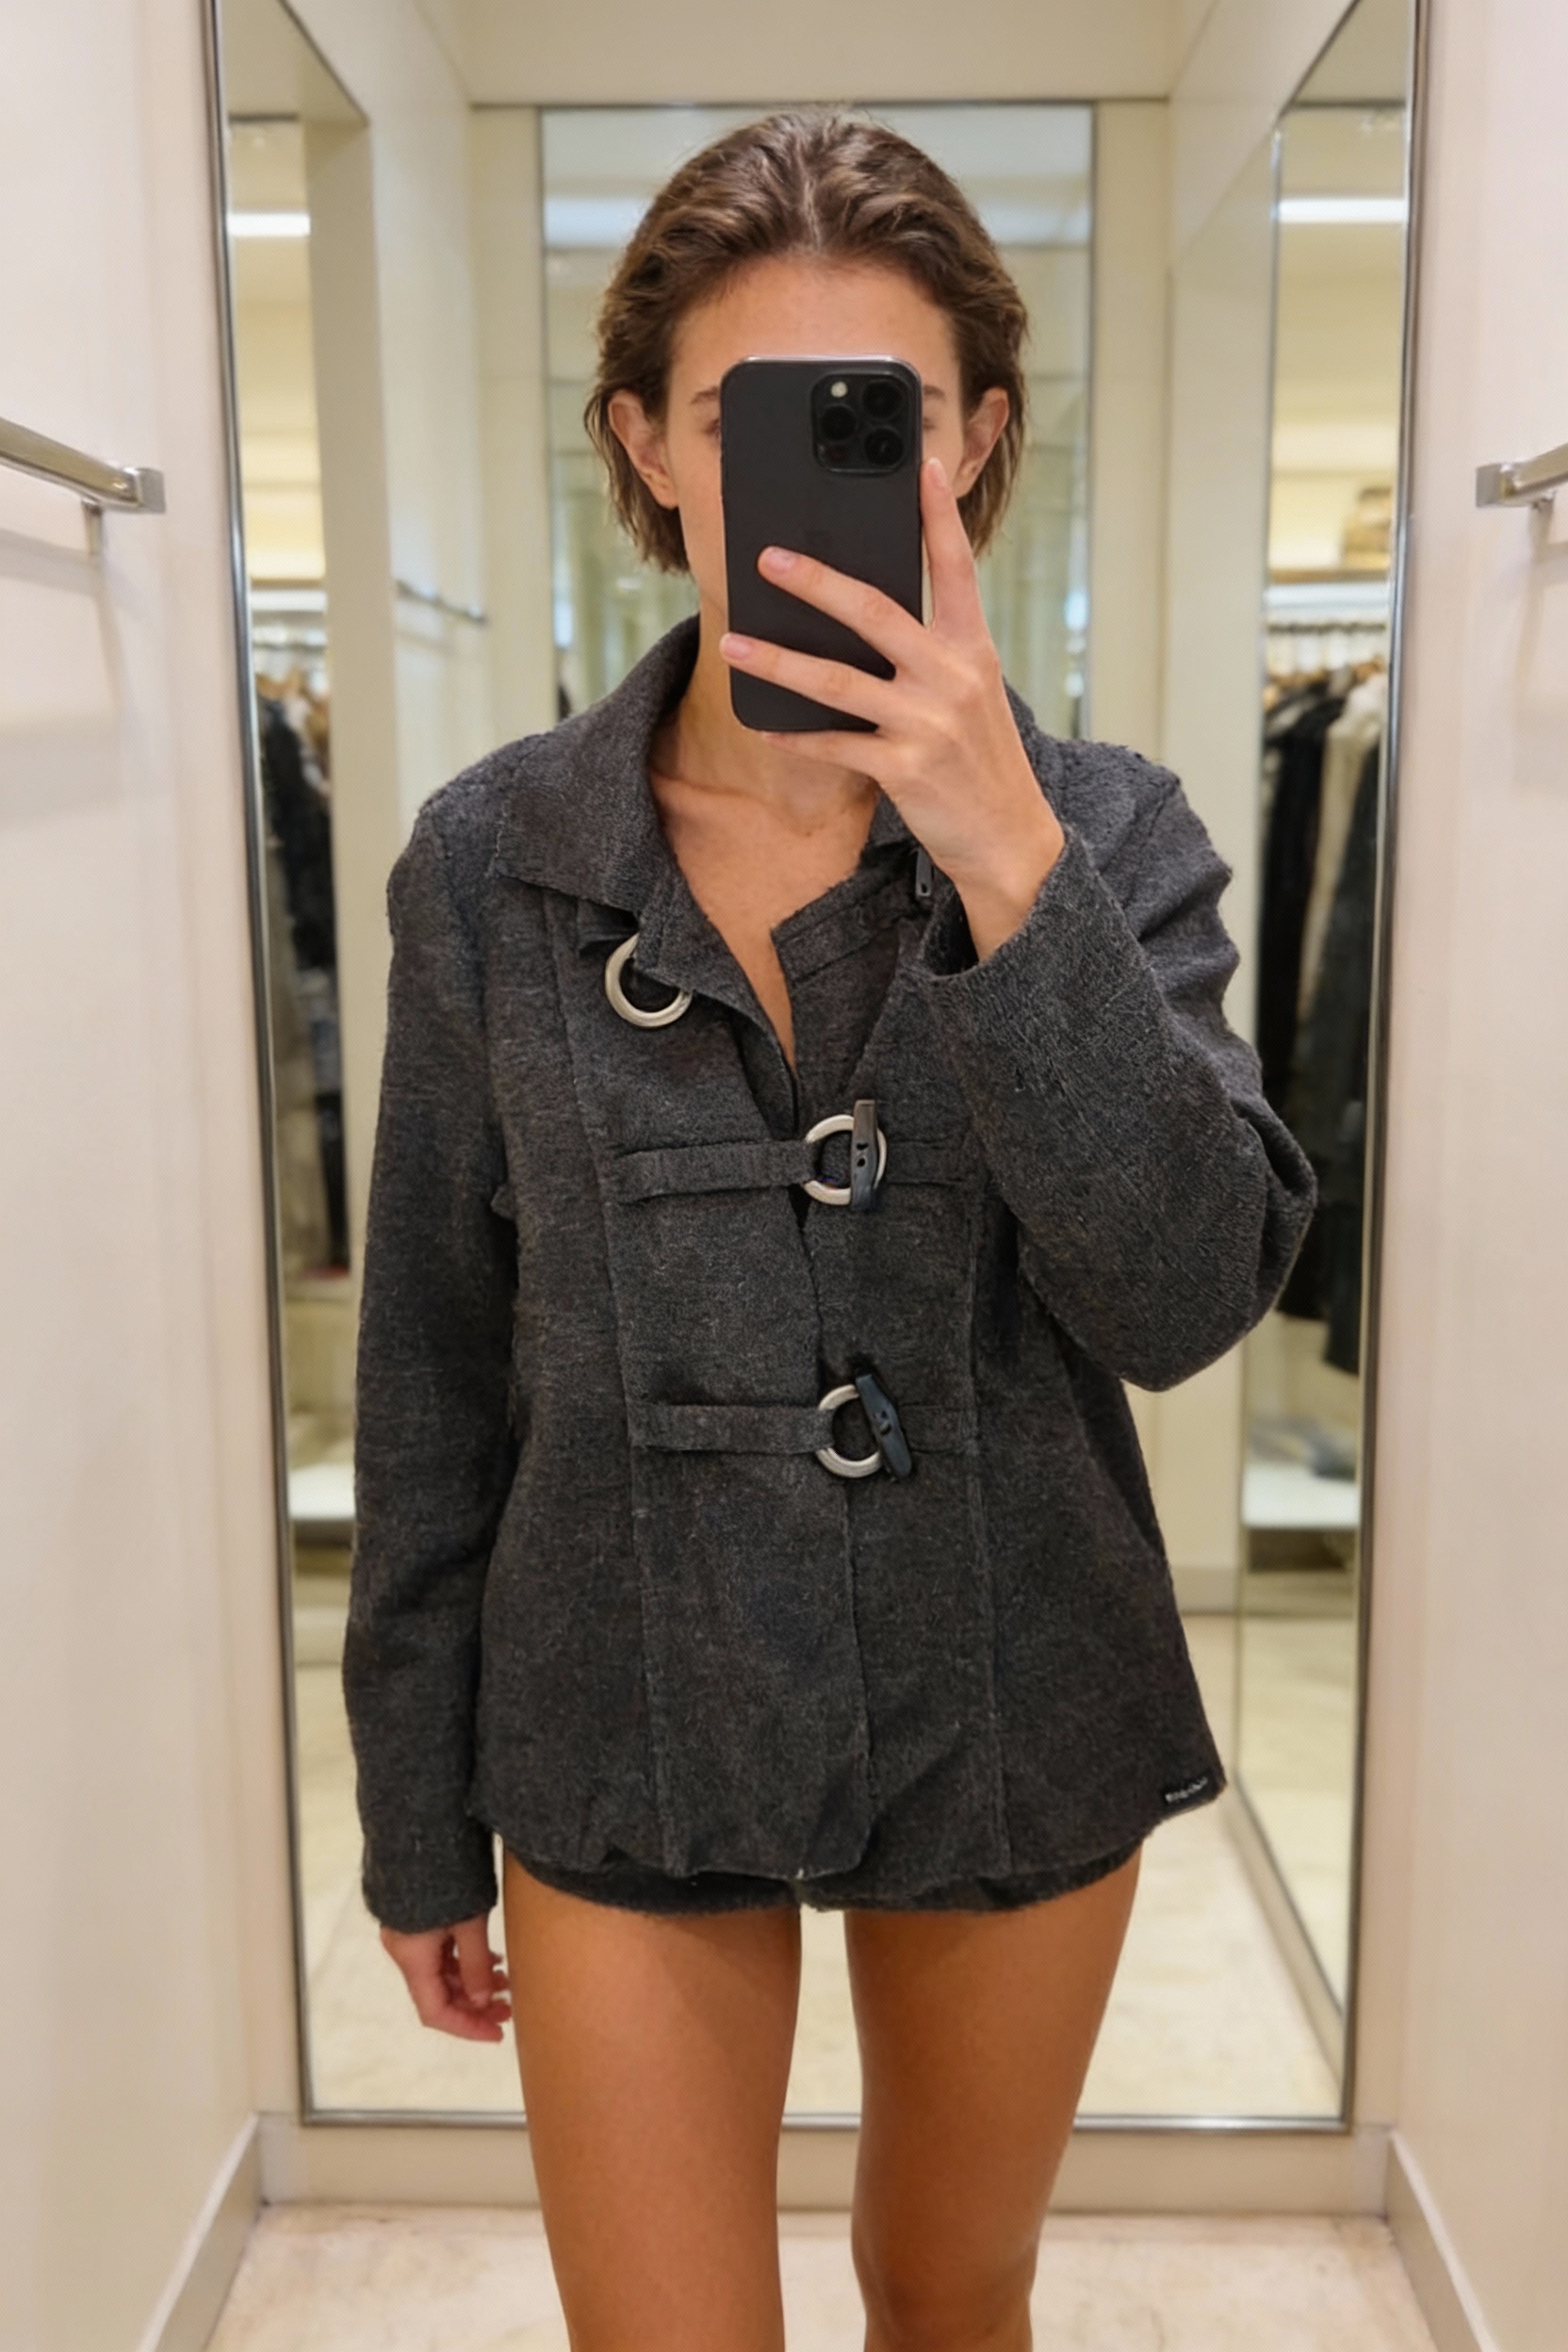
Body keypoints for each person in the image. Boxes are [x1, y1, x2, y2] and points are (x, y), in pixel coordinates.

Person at [345, 110, 1314, 2352]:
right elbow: (434, 1357)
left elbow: (1183, 1295)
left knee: (948, 2293)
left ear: (969, 443)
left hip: (1011, 1668)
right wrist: (412, 1805)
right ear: (648, 447)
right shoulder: (493, 861)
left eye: (873, 418)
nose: (807, 477)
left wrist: (1002, 858)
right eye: (741, 417)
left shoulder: (1107, 833)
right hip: (617, 1680)